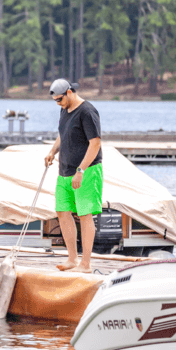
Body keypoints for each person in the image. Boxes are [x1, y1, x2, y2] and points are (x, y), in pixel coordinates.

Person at [44, 79, 103, 273]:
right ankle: (72, 259)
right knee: (62, 211)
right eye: (55, 100)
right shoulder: (64, 109)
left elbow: (95, 143)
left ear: (69, 92)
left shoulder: (87, 112)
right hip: (65, 170)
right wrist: (53, 151)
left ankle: (85, 264)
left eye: (60, 99)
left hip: (86, 171)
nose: (58, 103)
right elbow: (63, 133)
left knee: (85, 215)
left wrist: (81, 171)